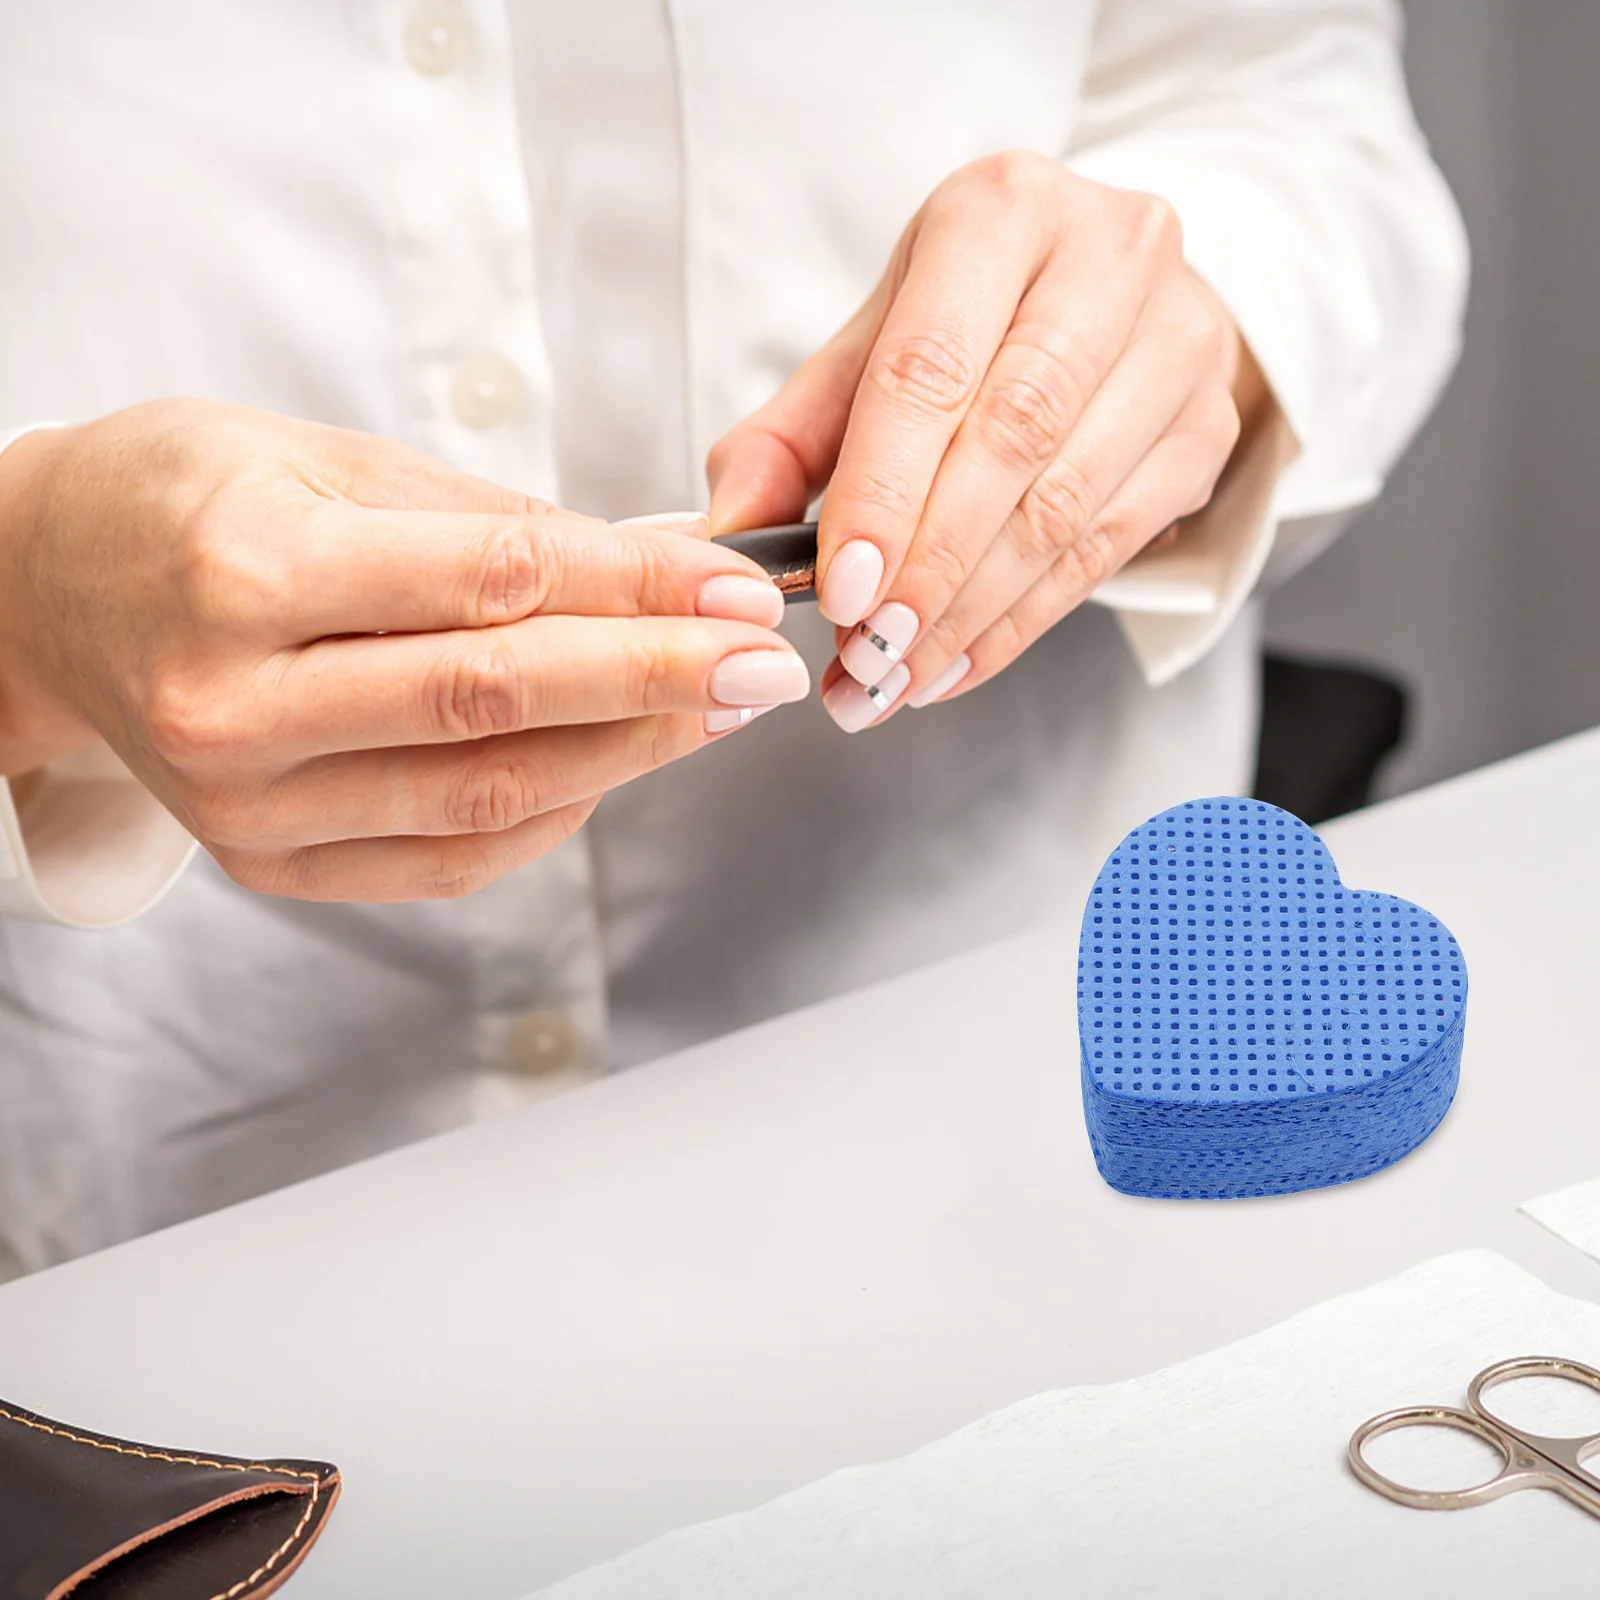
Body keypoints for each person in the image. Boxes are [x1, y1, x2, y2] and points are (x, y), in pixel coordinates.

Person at [0, 1, 1466, 1277]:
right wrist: (30, 592)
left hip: (1002, 1120)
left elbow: (1294, 103)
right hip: (175, 1224)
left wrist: (1188, 325)